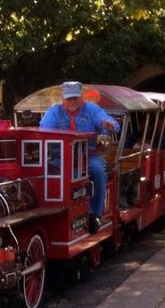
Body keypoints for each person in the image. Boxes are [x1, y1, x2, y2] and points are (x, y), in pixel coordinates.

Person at [39, 81, 120, 233]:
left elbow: (111, 124)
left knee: (98, 172)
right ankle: (59, 211)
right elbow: (44, 128)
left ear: (82, 97)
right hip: (61, 157)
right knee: (53, 174)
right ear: (62, 98)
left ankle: (95, 214)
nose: (72, 101)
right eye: (69, 98)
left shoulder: (91, 109)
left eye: (75, 98)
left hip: (88, 155)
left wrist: (109, 125)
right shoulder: (54, 111)